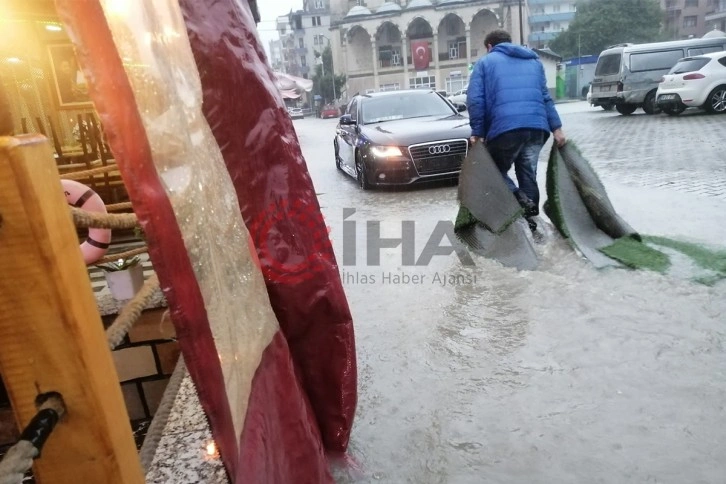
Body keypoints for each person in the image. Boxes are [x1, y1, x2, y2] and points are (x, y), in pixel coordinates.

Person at [467, 29, 566, 233]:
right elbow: (546, 97)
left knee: (492, 171)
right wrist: (557, 129)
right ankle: (532, 224)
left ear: (489, 46)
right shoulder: (534, 61)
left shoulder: (485, 63)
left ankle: (517, 197)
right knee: (528, 174)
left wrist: (478, 132)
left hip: (506, 129)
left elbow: (476, 100)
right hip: (537, 128)